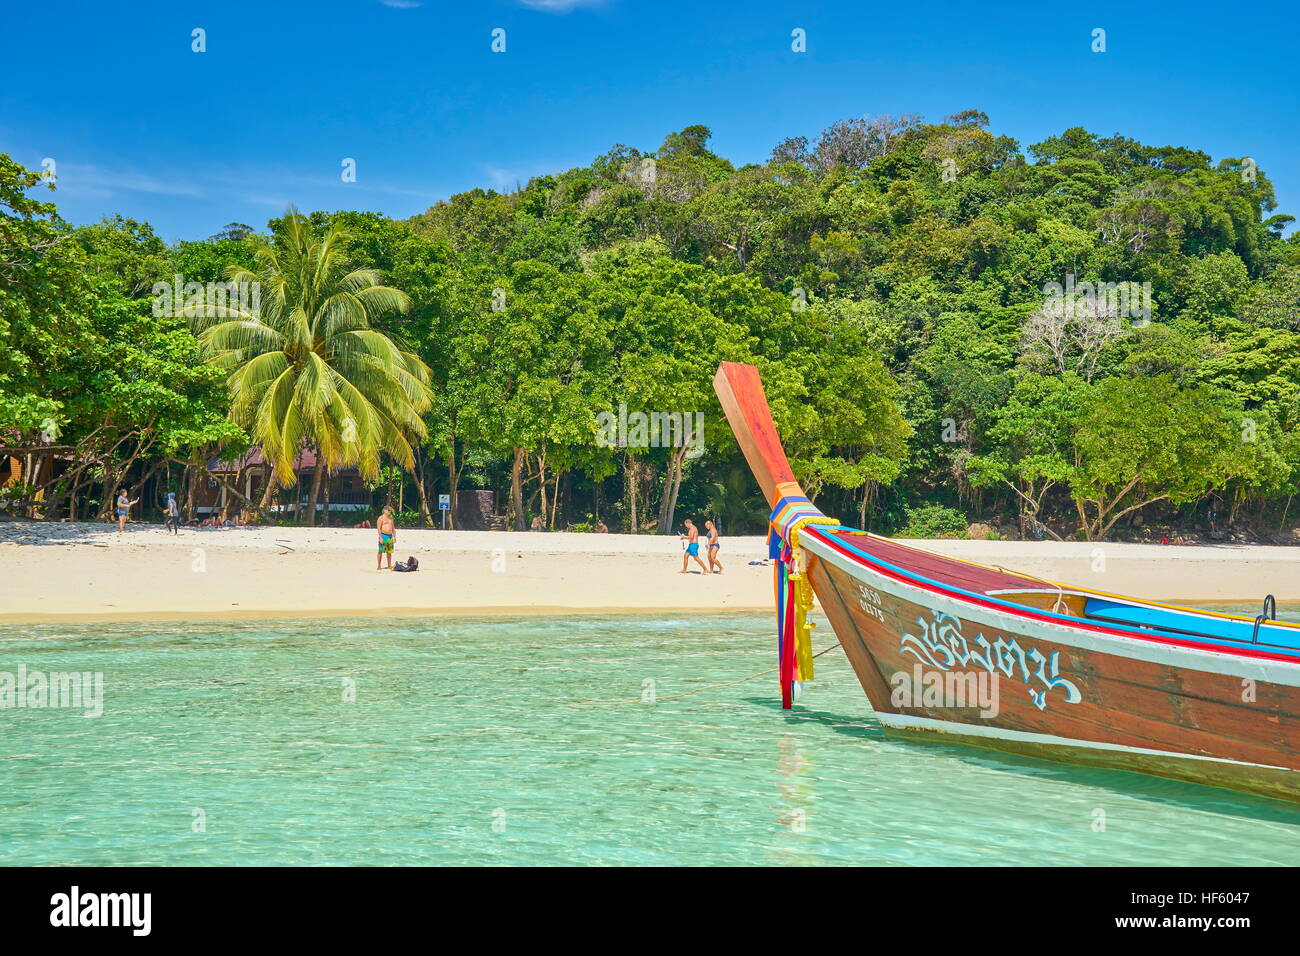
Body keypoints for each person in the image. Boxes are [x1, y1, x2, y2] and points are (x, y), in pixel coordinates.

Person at [377, 505, 396, 571]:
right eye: (388, 510)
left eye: (390, 510)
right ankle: (379, 566)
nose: (389, 511)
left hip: (390, 536)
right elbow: (379, 528)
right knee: (380, 551)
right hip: (383, 535)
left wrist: (395, 536)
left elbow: (393, 527)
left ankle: (389, 565)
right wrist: (380, 537)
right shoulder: (381, 518)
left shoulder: (391, 518)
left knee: (389, 552)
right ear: (384, 510)